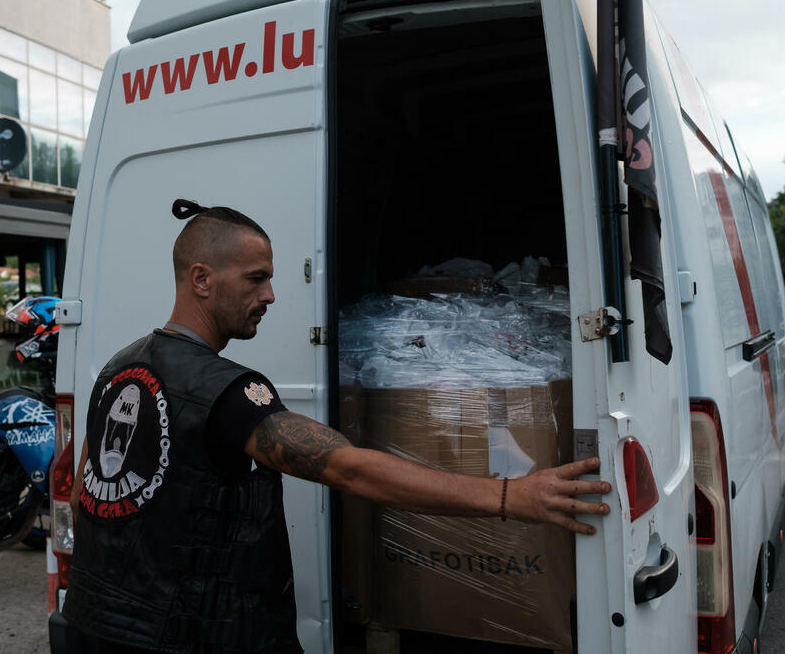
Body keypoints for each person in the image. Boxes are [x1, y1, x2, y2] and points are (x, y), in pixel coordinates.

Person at [61, 200, 611, 653]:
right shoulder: (224, 390)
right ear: (201, 279)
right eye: (256, 279)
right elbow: (348, 468)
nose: (271, 295)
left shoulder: (118, 367)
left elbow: (91, 482)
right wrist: (514, 495)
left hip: (98, 624)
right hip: (193, 638)